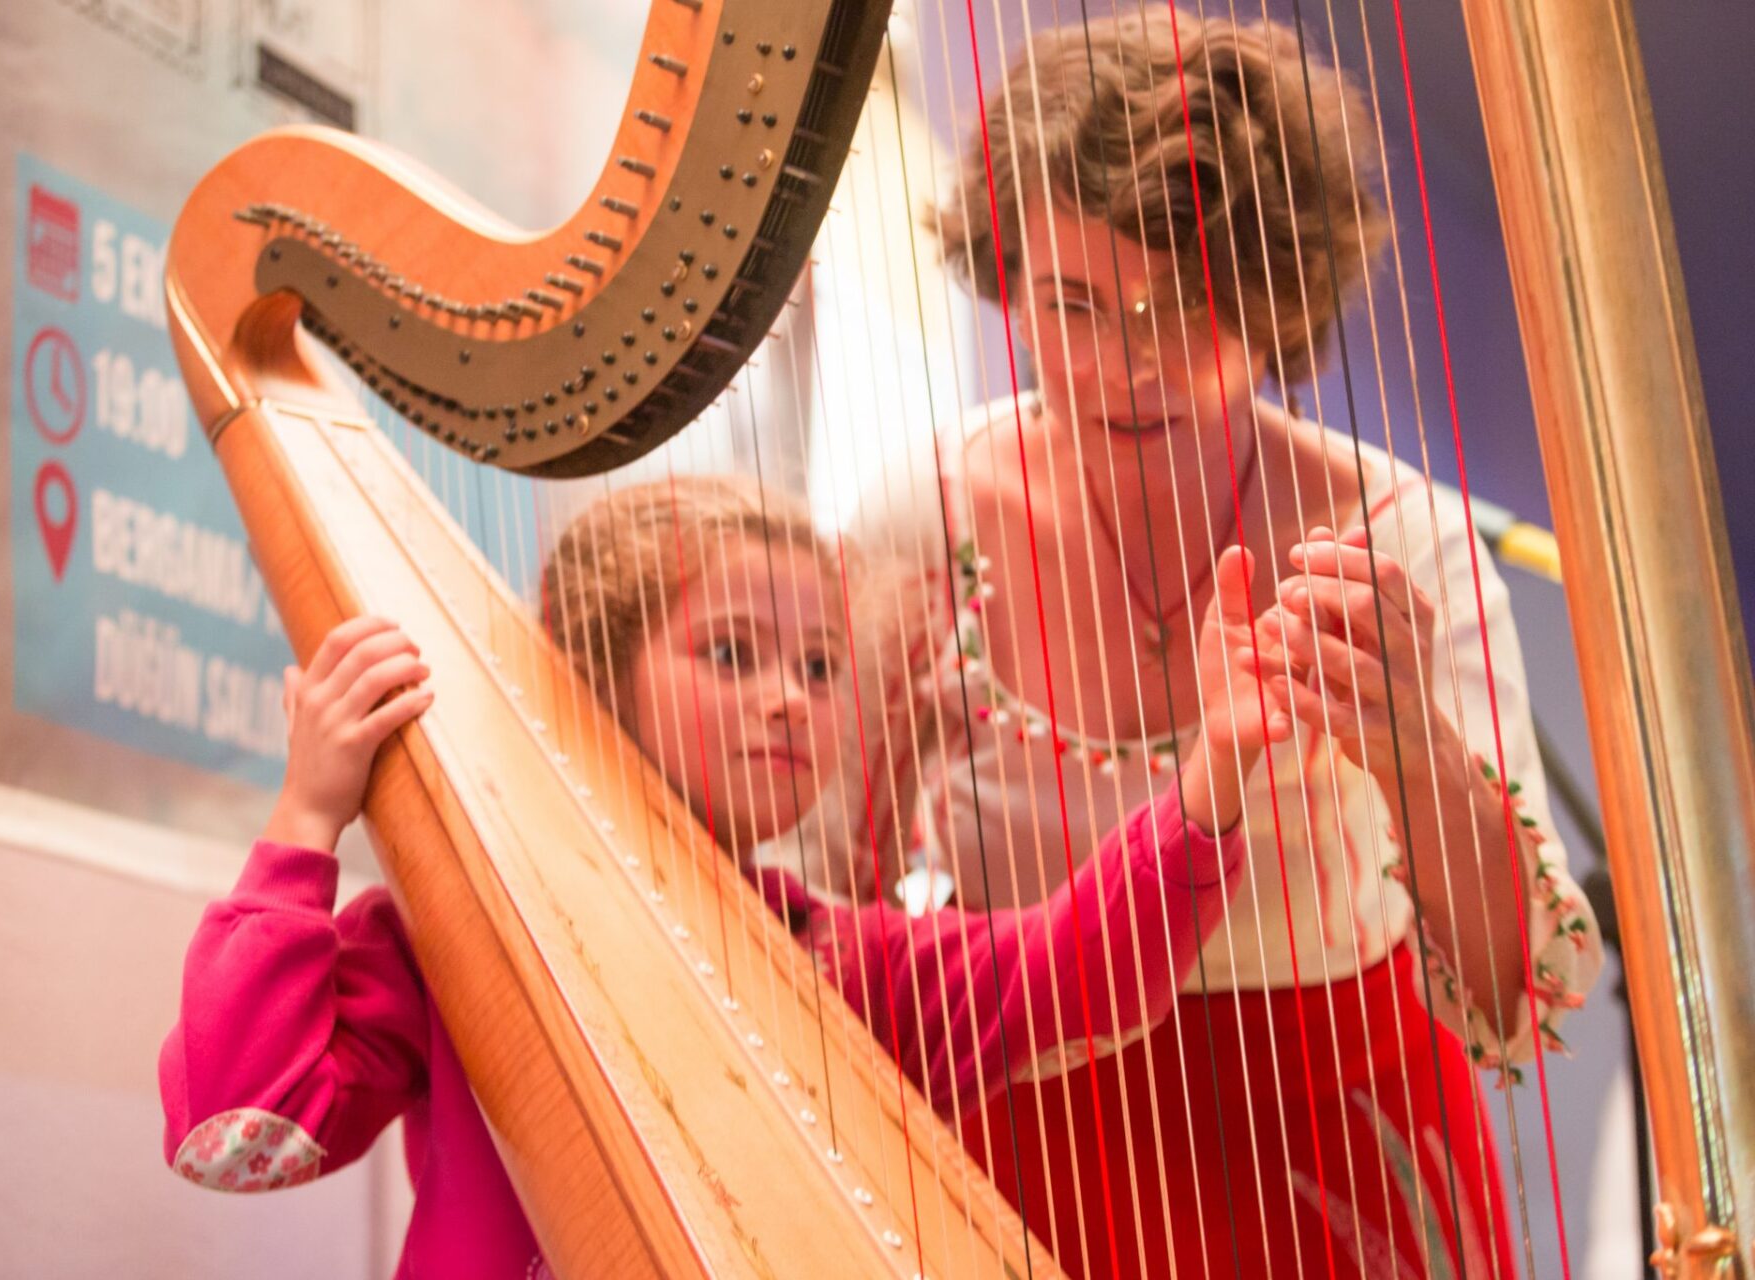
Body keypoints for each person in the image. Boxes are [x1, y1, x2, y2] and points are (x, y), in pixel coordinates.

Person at [846, 6, 1605, 1276]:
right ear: (1006, 279)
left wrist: (1414, 749)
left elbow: (1518, 990)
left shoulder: (1401, 540)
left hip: (1349, 1158)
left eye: (1182, 304)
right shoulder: (914, 520)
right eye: (1072, 303)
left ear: (1276, 299)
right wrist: (886, 770)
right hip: (1020, 1155)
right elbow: (812, 918)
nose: (1124, 363)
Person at [158, 472, 1278, 1278]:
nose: (788, 697)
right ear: (598, 675)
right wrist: (308, 817)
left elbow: (1077, 964)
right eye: (733, 653)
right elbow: (237, 1127)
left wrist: (1217, 766)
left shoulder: (845, 960)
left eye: (821, 666)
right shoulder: (458, 930)